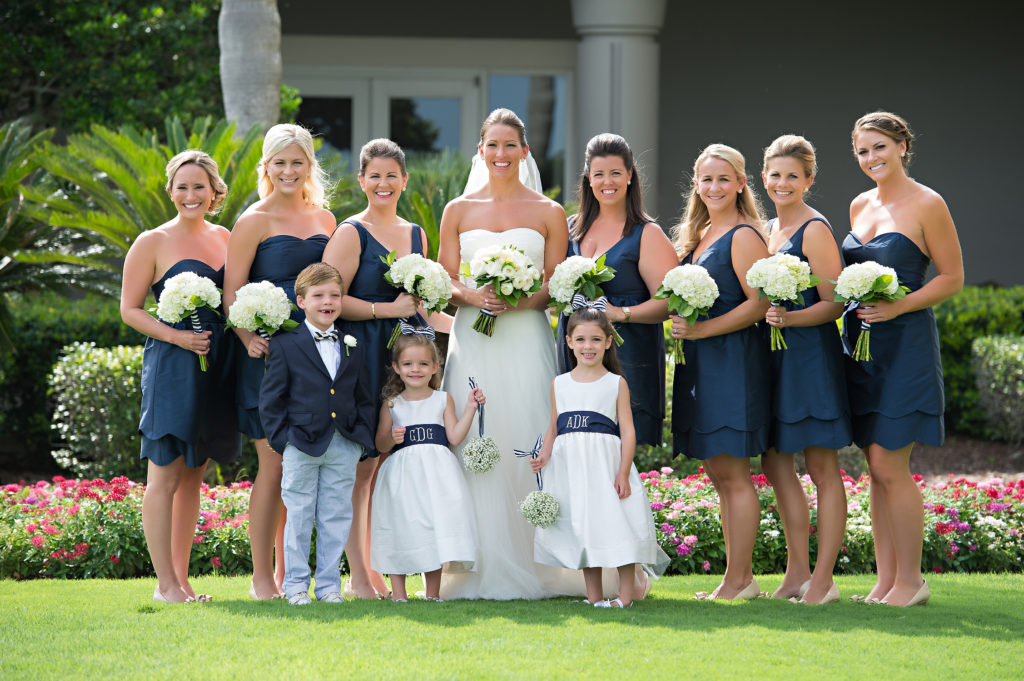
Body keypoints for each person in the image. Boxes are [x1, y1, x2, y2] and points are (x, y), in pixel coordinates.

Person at [436, 108, 577, 599]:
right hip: (473, 337)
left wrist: (519, 300)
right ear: (481, 150)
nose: (501, 154)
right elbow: (446, 279)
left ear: (524, 150)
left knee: (528, 425)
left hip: (525, 336)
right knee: (476, 433)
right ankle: (475, 561)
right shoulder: (457, 209)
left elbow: (556, 284)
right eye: (492, 145)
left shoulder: (548, 212)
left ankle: (539, 558)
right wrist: (474, 296)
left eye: (509, 145)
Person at [844, 112, 962, 607]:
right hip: (863, 349)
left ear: (902, 147)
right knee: (874, 465)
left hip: (906, 346)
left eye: (880, 147)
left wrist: (898, 306)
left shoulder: (928, 203)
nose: (871, 158)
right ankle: (886, 580)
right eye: (863, 150)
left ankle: (912, 582)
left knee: (889, 462)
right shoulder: (859, 204)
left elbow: (952, 277)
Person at [120, 150, 240, 602]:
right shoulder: (151, 242)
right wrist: (177, 338)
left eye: (199, 187)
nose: (191, 195)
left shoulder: (226, 237)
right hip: (173, 367)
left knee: (194, 476)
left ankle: (183, 582)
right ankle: (165, 585)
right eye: (183, 187)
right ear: (170, 191)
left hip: (217, 366)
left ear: (214, 192)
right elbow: (129, 309)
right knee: (165, 476)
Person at [224, 123, 336, 600]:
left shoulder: (326, 219)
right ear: (266, 167)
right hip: (267, 359)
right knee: (273, 467)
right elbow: (232, 291)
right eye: (280, 162)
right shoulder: (253, 220)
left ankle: (294, 576)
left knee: (303, 469)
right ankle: (261, 578)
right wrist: (247, 336)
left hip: (314, 359)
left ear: (309, 166)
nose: (289, 170)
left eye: (297, 162)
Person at [322, 138, 437, 600]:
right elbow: (328, 300)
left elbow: (424, 306)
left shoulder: (417, 235)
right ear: (361, 180)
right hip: (362, 357)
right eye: (375, 176)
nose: (383, 183)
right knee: (363, 466)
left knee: (390, 467)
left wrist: (474, 328)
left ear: (404, 180)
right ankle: (360, 576)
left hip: (406, 363)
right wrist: (386, 310)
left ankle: (382, 569)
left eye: (392, 176)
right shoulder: (351, 232)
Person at [670, 143, 771, 601]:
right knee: (717, 472)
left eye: (723, 179)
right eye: (707, 179)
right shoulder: (701, 233)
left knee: (733, 473)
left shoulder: (745, 235)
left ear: (741, 184)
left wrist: (702, 330)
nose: (714, 187)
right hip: (700, 363)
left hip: (732, 363)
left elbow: (758, 304)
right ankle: (735, 579)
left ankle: (740, 580)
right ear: (696, 184)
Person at [759, 135, 850, 604]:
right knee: (775, 462)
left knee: (821, 466)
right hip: (773, 360)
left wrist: (790, 319)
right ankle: (796, 573)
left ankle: (824, 579)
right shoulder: (767, 228)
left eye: (793, 175)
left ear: (809, 180)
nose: (783, 183)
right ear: (763, 177)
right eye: (775, 174)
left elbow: (835, 303)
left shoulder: (815, 230)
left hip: (811, 359)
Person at [533, 306, 669, 607]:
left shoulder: (615, 383)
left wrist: (623, 472)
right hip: (572, 469)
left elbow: (628, 431)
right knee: (584, 527)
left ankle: (625, 596)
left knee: (617, 525)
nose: (588, 346)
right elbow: (554, 427)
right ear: (569, 342)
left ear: (608, 342)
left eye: (595, 339)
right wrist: (543, 456)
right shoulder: (559, 383)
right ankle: (593, 596)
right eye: (581, 339)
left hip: (606, 467)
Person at [258, 263, 376, 605]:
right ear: (301, 301)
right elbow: (271, 399)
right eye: (319, 295)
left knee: (336, 515)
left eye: (335, 296)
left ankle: (328, 587)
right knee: (298, 514)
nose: (328, 302)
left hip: (344, 442)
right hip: (300, 443)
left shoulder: (353, 344)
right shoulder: (284, 344)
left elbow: (364, 396)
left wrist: (360, 440)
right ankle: (296, 586)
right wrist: (284, 441)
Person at [556, 134, 676, 446]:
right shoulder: (569, 228)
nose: (607, 182)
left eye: (615, 173)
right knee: (576, 445)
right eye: (599, 174)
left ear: (630, 175)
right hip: (575, 354)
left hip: (628, 356)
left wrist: (619, 313)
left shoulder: (647, 233)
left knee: (619, 449)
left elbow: (669, 303)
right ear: (588, 178)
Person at [370, 329, 485, 602]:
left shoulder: (442, 399)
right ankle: (399, 594)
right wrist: (391, 437)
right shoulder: (392, 404)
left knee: (434, 527)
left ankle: (433, 593)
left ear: (435, 367)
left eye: (423, 364)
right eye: (408, 364)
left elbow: (454, 436)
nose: (415, 369)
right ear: (396, 367)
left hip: (437, 476)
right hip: (402, 477)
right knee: (400, 526)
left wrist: (471, 408)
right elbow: (380, 444)